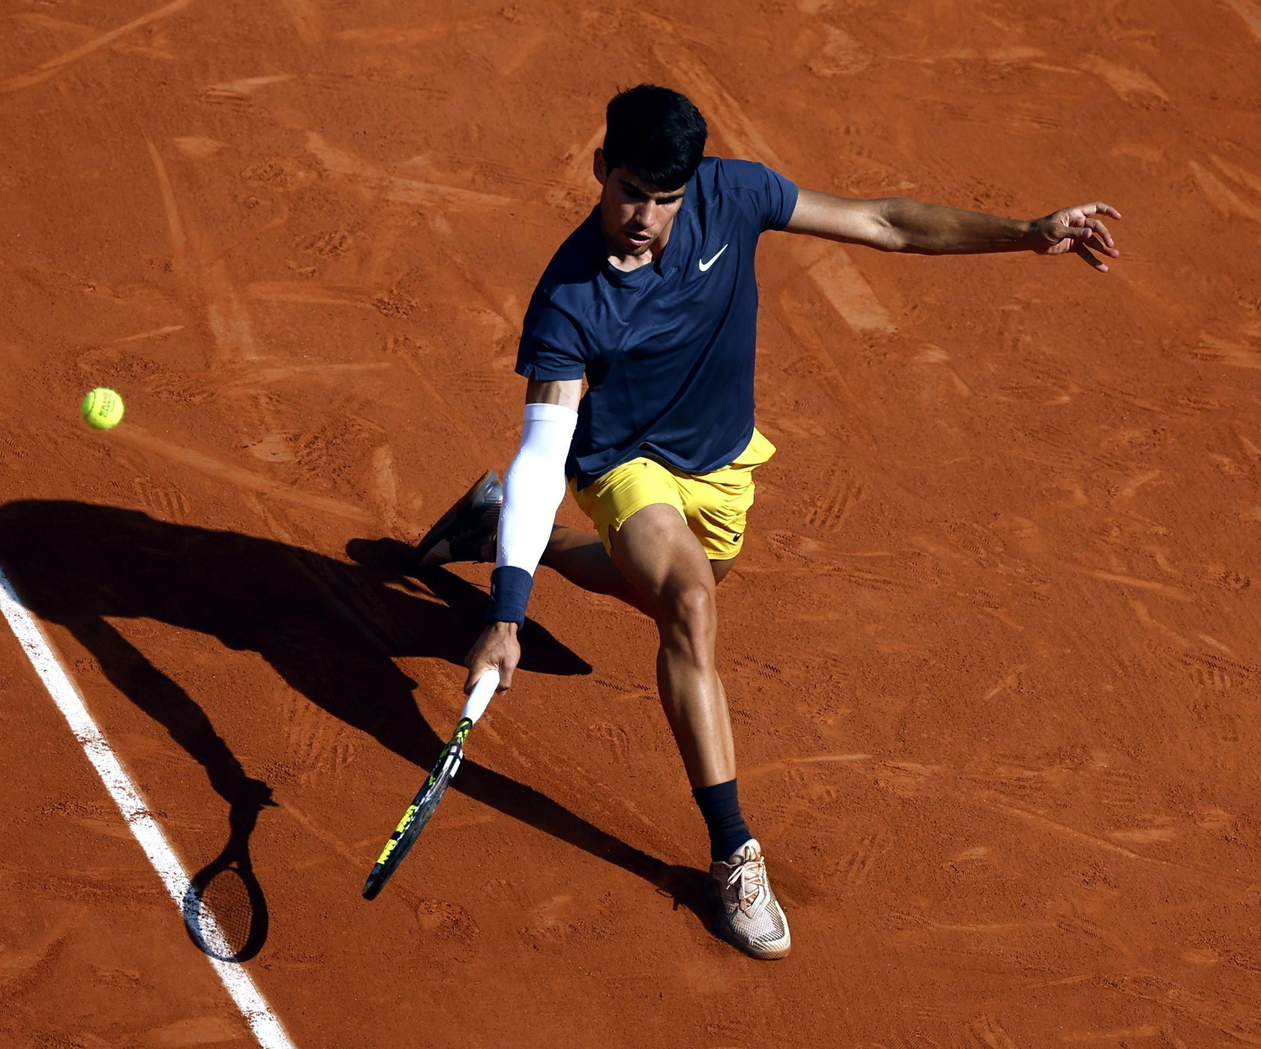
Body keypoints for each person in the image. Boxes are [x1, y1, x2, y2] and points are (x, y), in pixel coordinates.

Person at [413, 84, 1121, 960]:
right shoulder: (568, 299)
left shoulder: (734, 194)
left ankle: (494, 532)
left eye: (664, 199)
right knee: (690, 603)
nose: (644, 217)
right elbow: (541, 453)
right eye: (631, 190)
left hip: (721, 463)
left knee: (694, 582)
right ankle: (732, 852)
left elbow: (885, 224)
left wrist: (1026, 231)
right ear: (601, 170)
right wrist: (506, 614)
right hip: (625, 464)